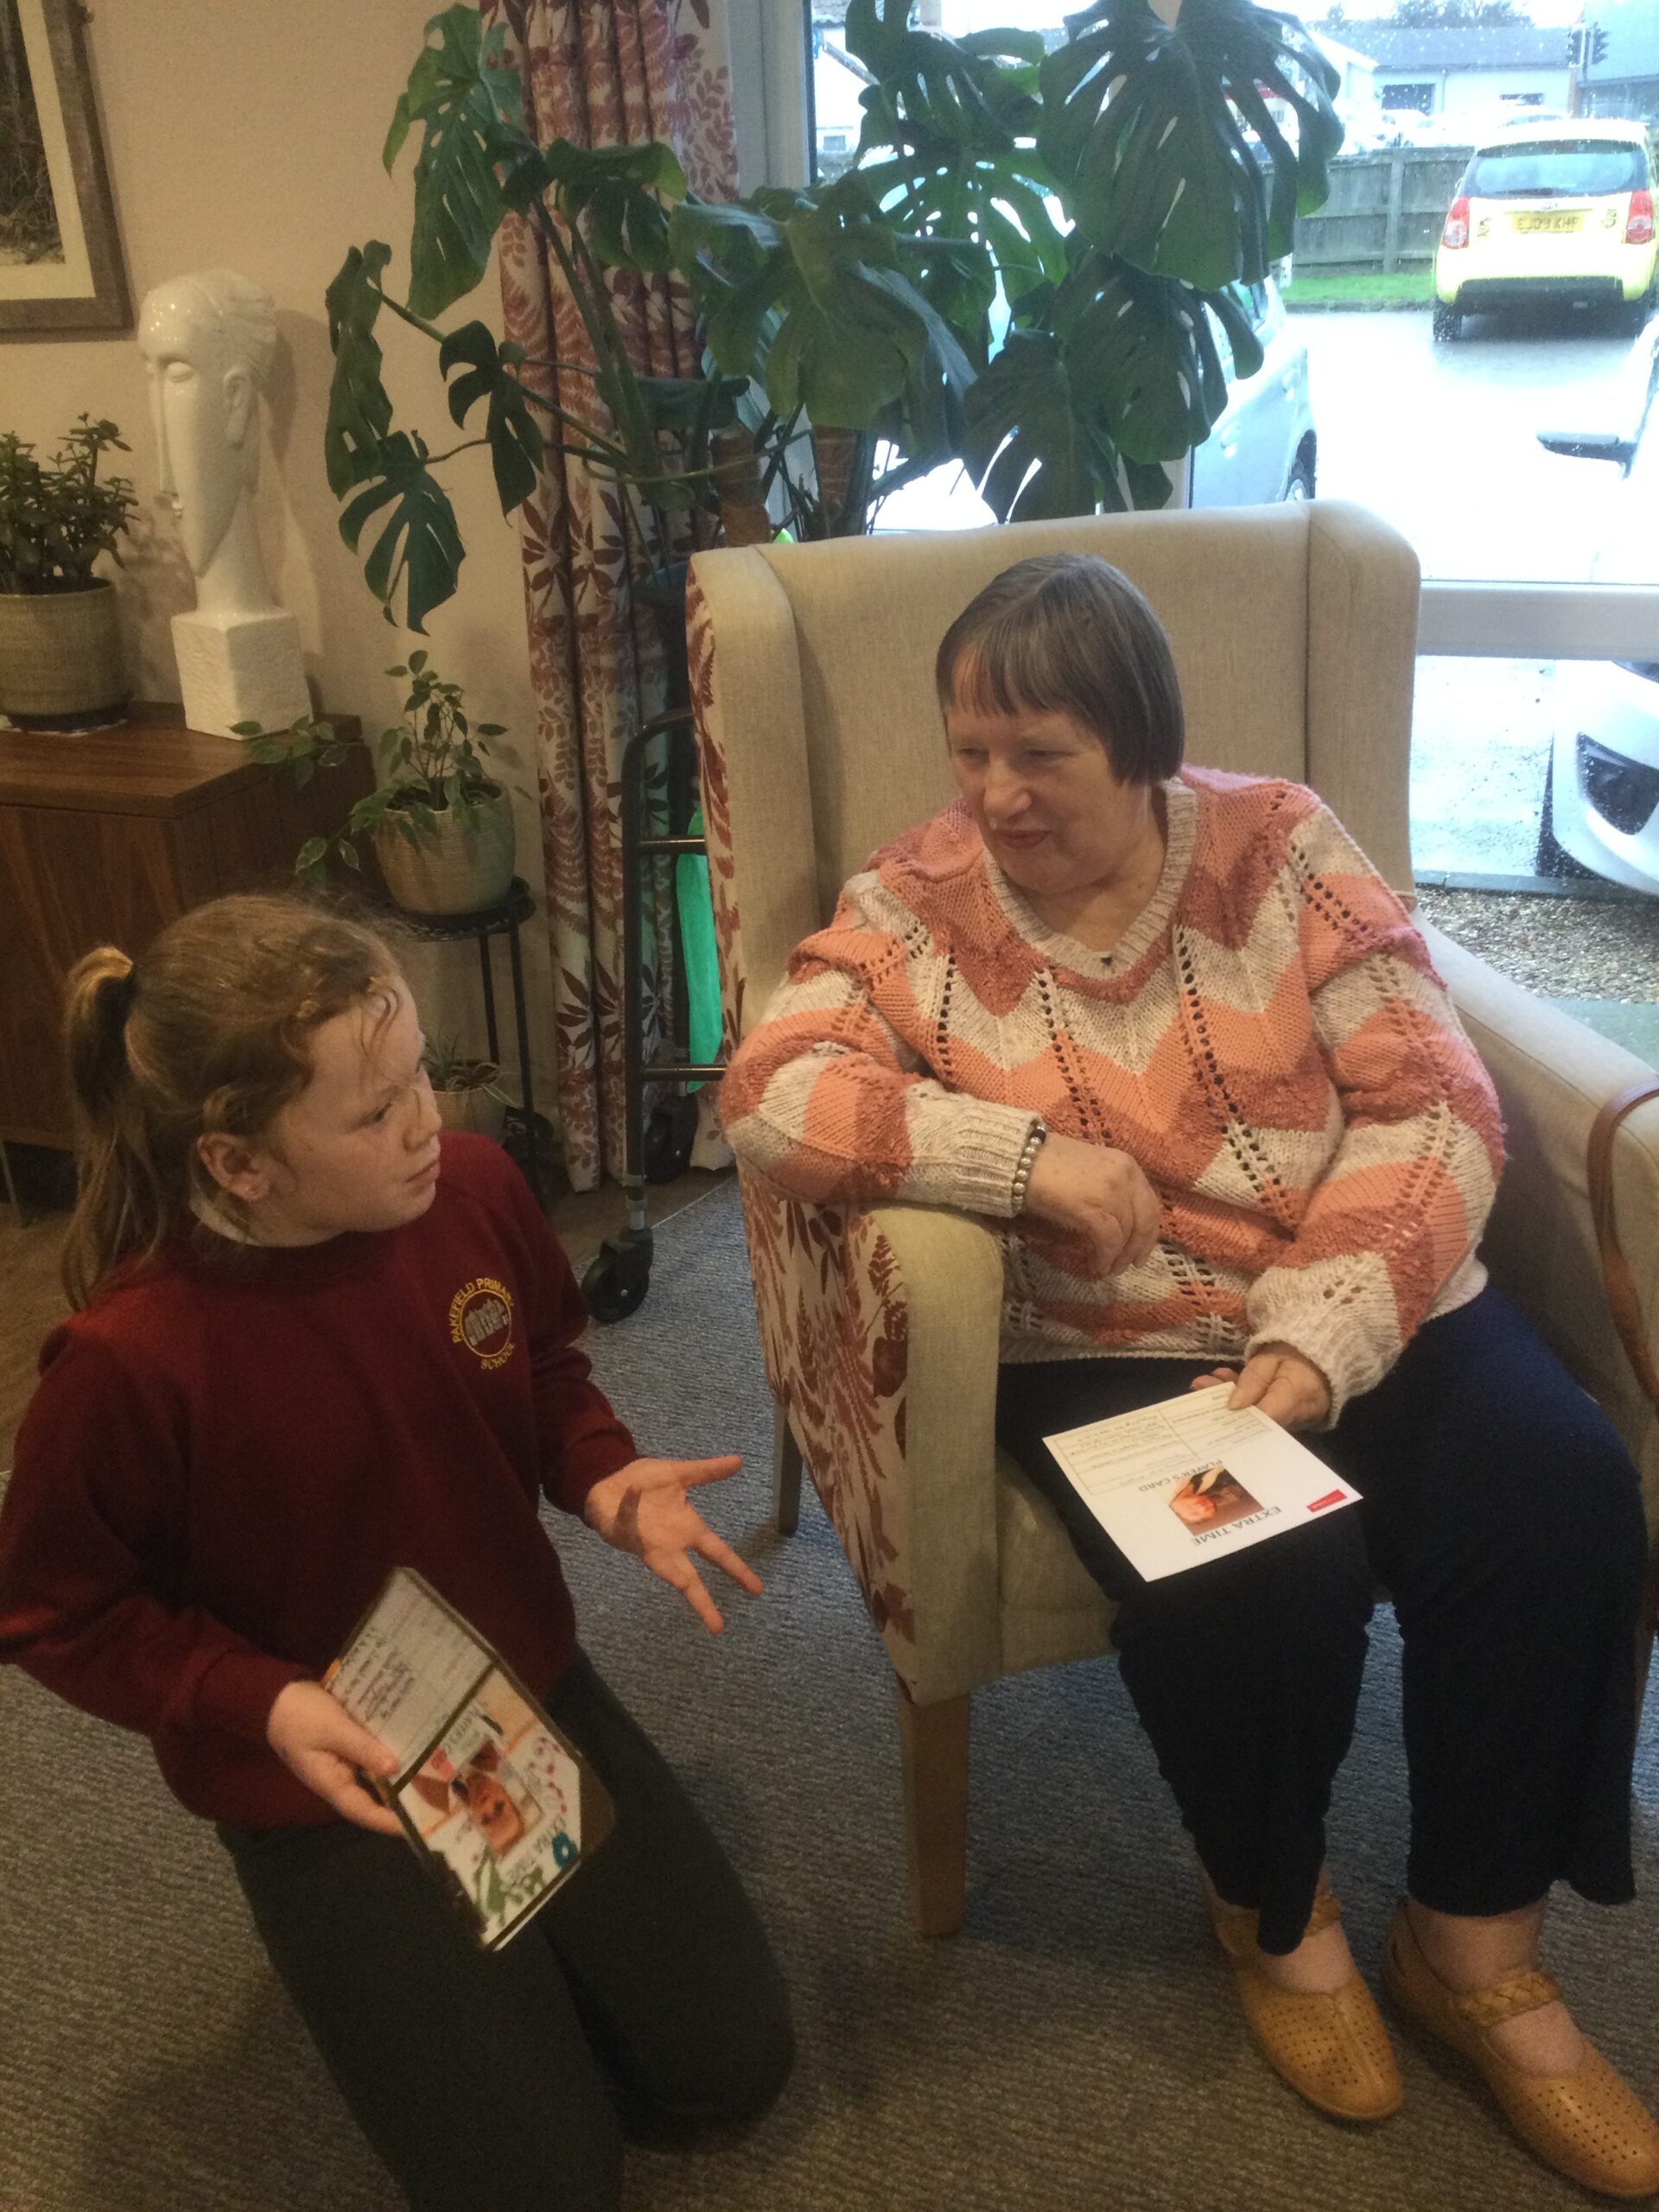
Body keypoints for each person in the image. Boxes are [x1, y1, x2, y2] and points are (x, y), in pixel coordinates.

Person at [720, 551, 1658, 2198]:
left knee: (1563, 1500)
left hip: (1356, 1293)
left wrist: (1321, 1330)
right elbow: (773, 1093)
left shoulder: (1283, 844)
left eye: (1040, 755)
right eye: (970, 751)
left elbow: (1438, 1097)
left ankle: (1472, 1945)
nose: (994, 795)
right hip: (1109, 1344)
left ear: (1140, 741)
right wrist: (1016, 1162)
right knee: (1259, 1577)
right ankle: (1276, 1913)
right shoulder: (919, 901)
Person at [0, 893, 792, 2212]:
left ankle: (477, 1967)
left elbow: (537, 1364)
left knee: (730, 2065)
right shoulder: (128, 1364)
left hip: (501, 1694)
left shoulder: (471, 1192)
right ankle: (365, 1937)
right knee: (541, 2189)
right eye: (371, 1114)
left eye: (419, 1069)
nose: (427, 1119)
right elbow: (54, 1612)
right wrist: (258, 1702)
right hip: (317, 1763)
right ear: (239, 1164)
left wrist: (601, 1475)